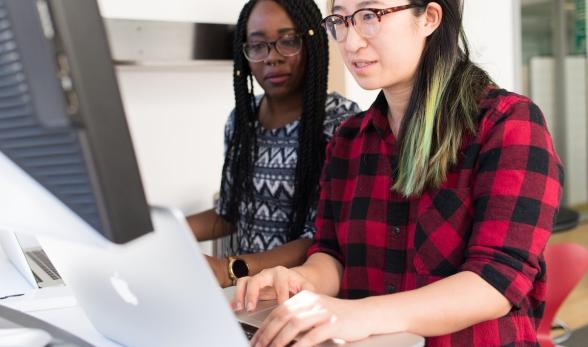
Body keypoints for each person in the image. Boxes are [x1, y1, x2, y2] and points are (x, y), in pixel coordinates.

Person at [231, 0, 564, 346]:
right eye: (341, 20)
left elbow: (496, 280)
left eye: (370, 16)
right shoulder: (348, 139)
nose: (351, 41)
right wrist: (300, 281)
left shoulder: (508, 124)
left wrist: (359, 314)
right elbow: (331, 254)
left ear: (430, 18)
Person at [187, 0, 360, 288]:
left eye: (288, 41)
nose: (272, 57)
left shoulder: (341, 124)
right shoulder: (242, 120)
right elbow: (228, 214)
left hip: (301, 296)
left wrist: (229, 269)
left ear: (311, 43)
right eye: (257, 45)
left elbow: (321, 238)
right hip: (243, 295)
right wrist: (164, 231)